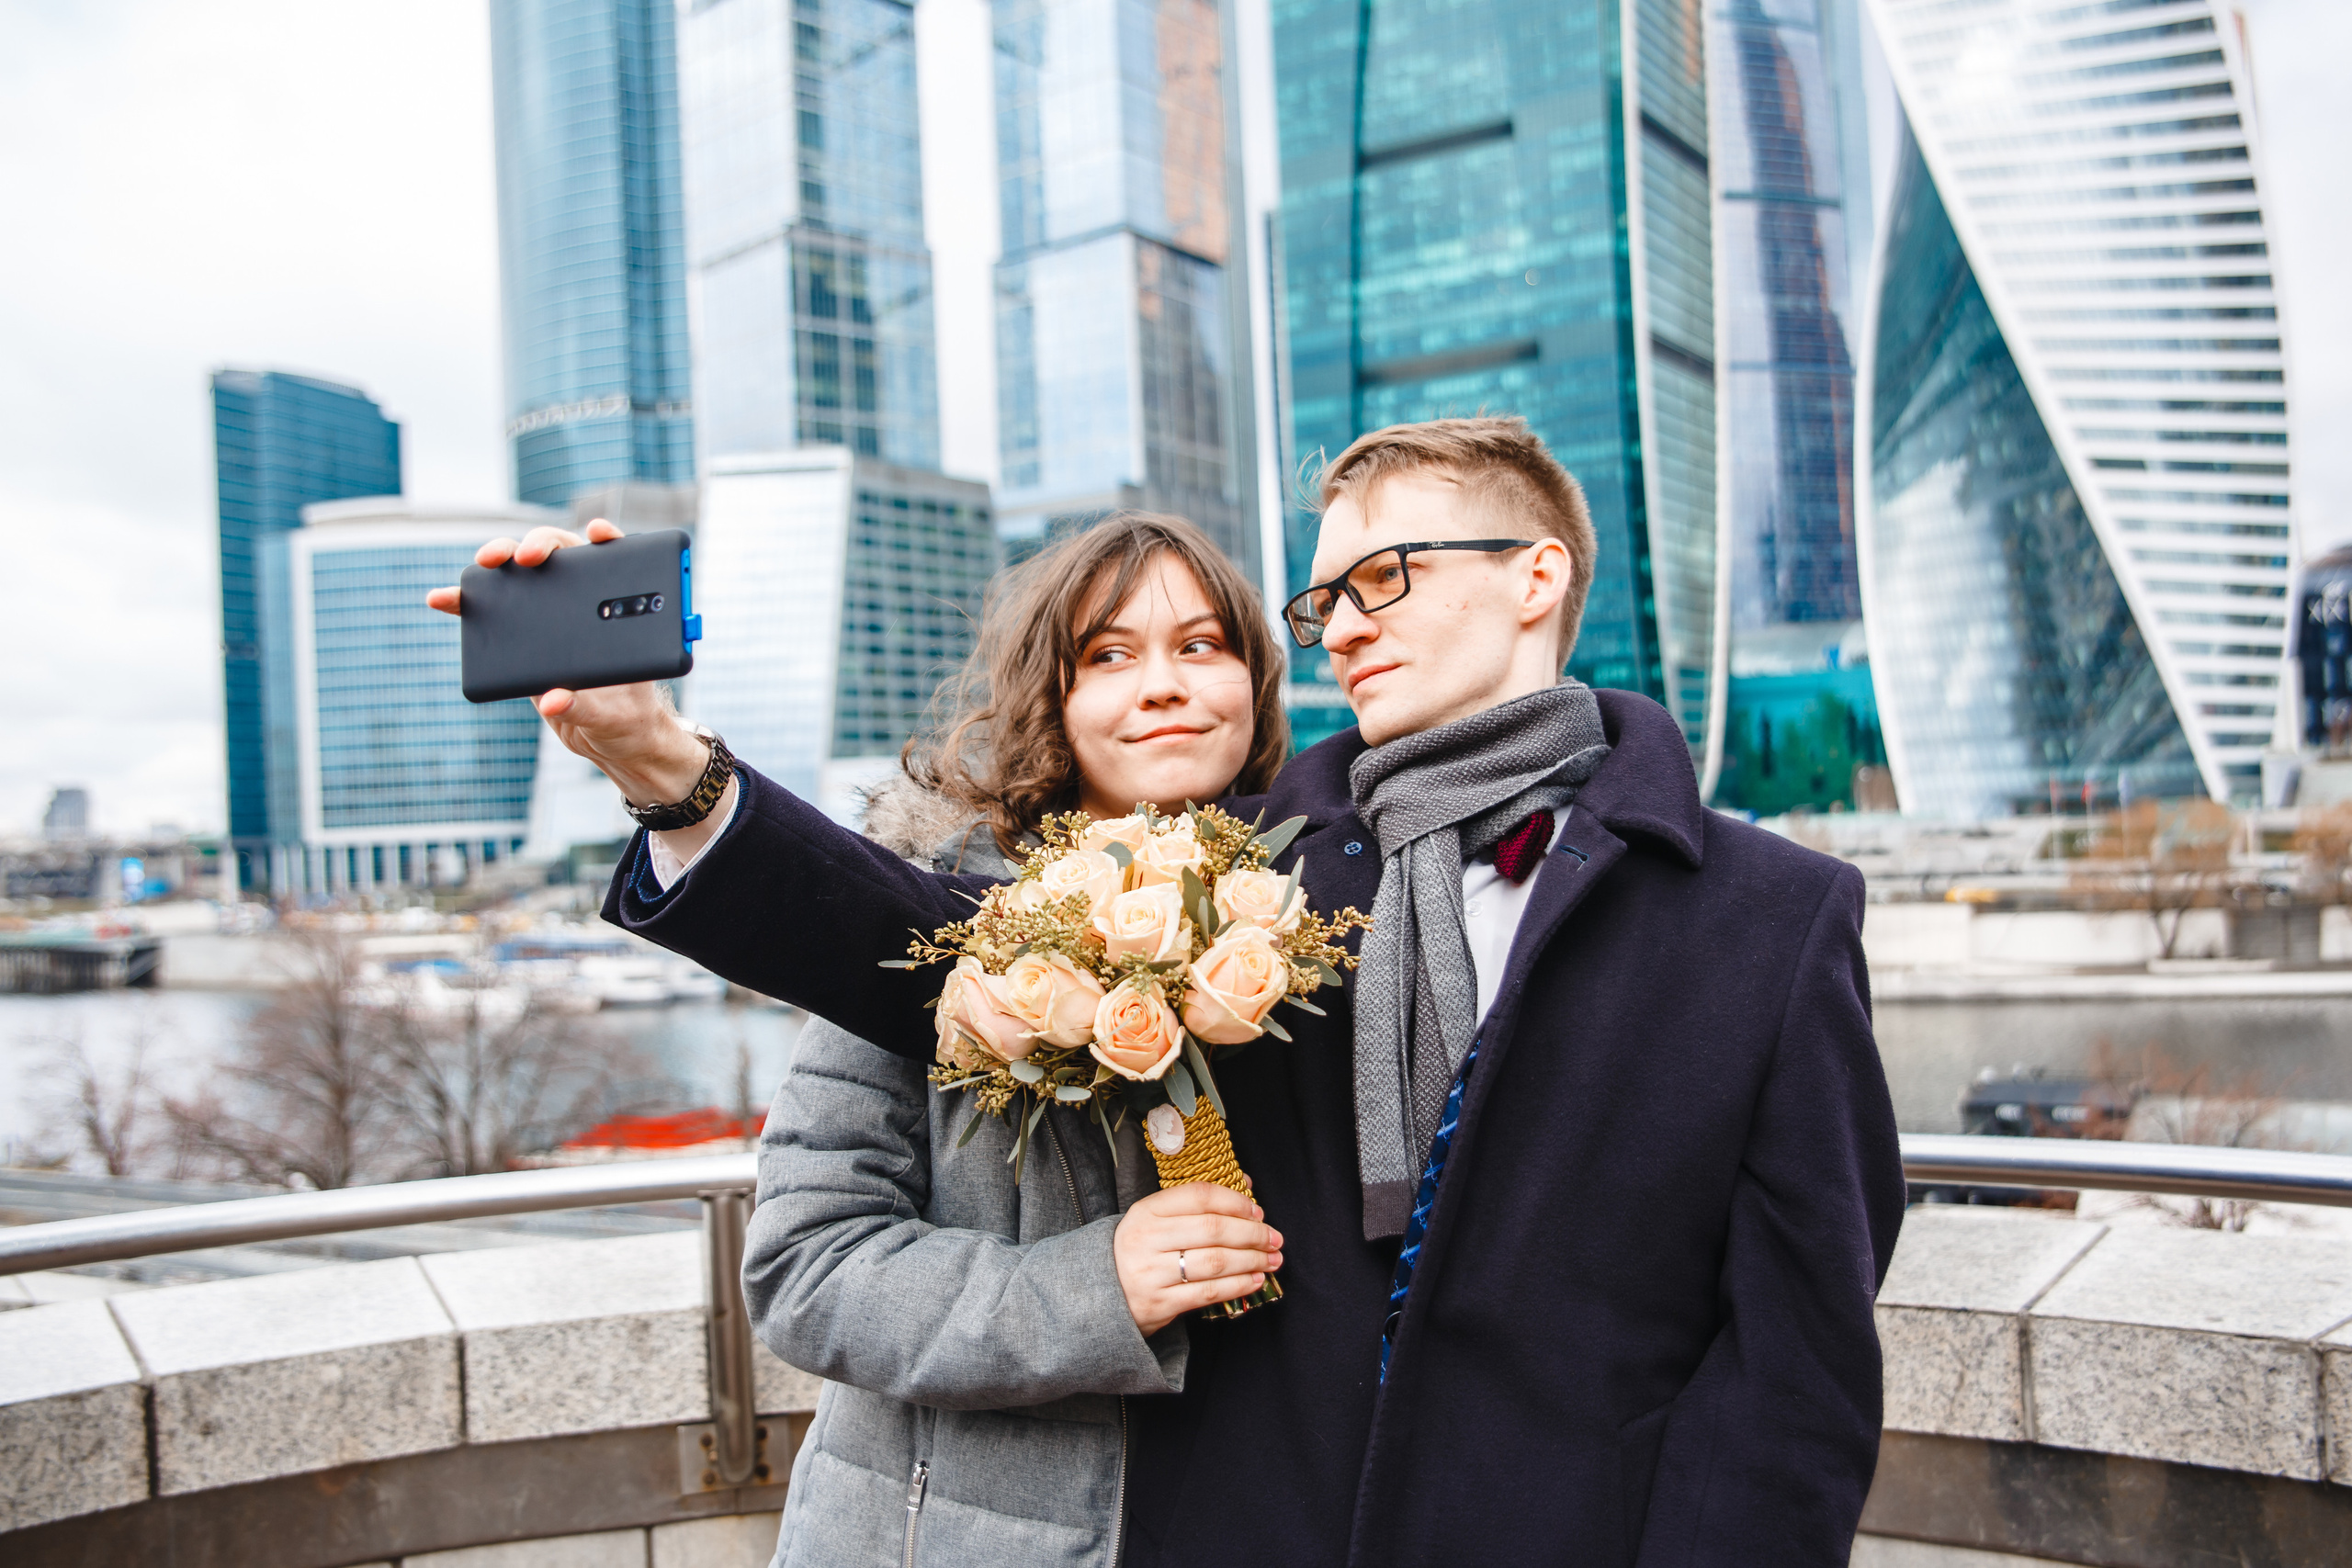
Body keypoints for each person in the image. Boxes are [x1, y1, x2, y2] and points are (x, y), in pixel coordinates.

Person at [429, 513, 1293, 1566]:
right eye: (1108, 656)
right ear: (1051, 701)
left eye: (1201, 645)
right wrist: (1091, 1291)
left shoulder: (1331, 916)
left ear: (1256, 684)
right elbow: (809, 1268)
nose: (1161, 685)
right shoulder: (921, 931)